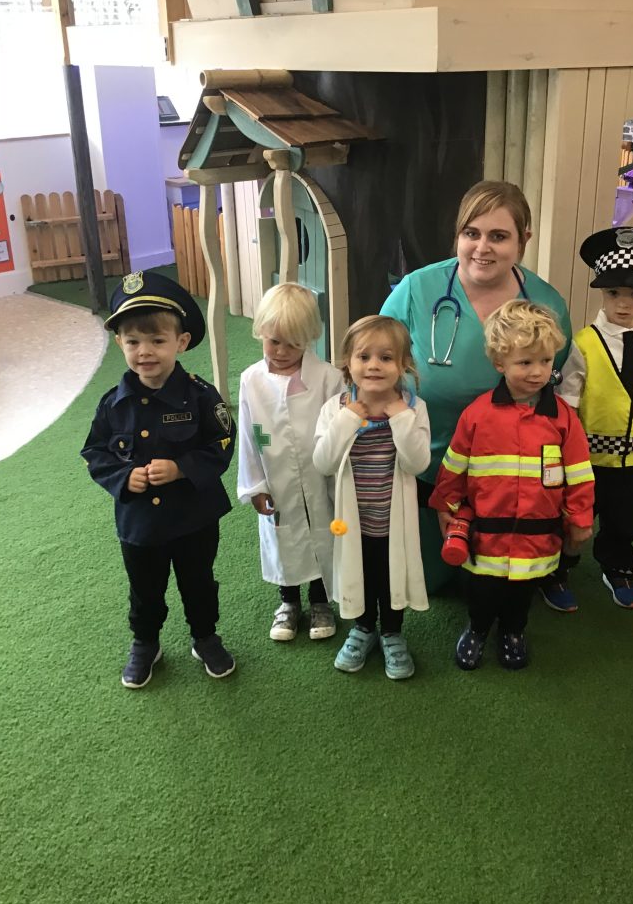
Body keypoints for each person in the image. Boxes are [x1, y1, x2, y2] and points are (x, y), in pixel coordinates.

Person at [381, 180, 573, 600]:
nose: (482, 248)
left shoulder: (547, 304)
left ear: (523, 241)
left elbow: (553, 384)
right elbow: (374, 368)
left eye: (498, 236)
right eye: (471, 233)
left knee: (501, 586)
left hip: (508, 473)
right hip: (426, 466)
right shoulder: (416, 290)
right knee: (429, 582)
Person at [81, 271, 236, 689]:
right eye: (133, 341)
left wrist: (182, 468)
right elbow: (95, 452)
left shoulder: (201, 395)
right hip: (140, 524)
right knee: (145, 589)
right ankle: (145, 643)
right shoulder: (111, 405)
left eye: (157, 340)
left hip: (194, 518)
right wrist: (122, 477)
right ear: (119, 343)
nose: (144, 351)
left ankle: (205, 636)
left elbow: (223, 441)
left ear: (181, 342)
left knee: (199, 582)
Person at [429, 300, 594, 671]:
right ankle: (477, 629)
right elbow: (454, 466)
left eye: (546, 361)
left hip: (538, 535)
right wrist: (445, 505)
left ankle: (513, 631)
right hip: (485, 533)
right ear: (499, 363)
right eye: (525, 362)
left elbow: (580, 473)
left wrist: (581, 518)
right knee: (481, 590)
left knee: (522, 593)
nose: (537, 372)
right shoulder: (477, 414)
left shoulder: (564, 419)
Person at [558, 226, 633, 610]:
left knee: (625, 519)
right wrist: (569, 456)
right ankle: (557, 569)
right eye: (613, 293)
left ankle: (618, 567)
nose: (623, 304)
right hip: (588, 457)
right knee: (575, 516)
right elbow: (569, 404)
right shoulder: (584, 343)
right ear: (602, 292)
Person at [313, 315, 430, 680]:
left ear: (404, 364)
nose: (374, 365)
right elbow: (323, 462)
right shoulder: (335, 409)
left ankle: (392, 633)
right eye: (364, 357)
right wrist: (348, 420)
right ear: (347, 362)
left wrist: (401, 419)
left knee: (391, 577)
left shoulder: (413, 409)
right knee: (360, 576)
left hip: (393, 522)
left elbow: (417, 463)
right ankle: (363, 629)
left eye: (386, 357)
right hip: (353, 523)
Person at [237, 283, 344, 643]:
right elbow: (248, 439)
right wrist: (255, 486)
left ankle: (321, 601)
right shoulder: (251, 380)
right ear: (261, 332)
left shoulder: (328, 379)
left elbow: (339, 431)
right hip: (275, 478)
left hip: (319, 478)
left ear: (310, 338)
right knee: (282, 539)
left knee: (321, 537)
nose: (282, 352)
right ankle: (288, 602)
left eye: (293, 344)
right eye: (274, 341)